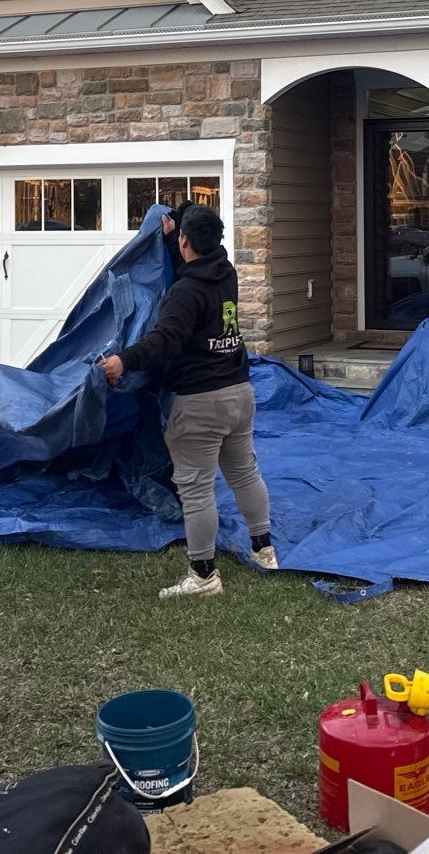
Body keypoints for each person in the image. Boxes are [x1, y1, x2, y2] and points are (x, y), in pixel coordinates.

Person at [98, 204, 275, 598]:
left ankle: (203, 575)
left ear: (184, 242)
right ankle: (264, 549)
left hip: (200, 405)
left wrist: (123, 360)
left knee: (196, 491)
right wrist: (173, 240)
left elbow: (164, 342)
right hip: (239, 394)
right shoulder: (226, 273)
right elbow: (197, 268)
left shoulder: (184, 293)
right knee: (245, 473)